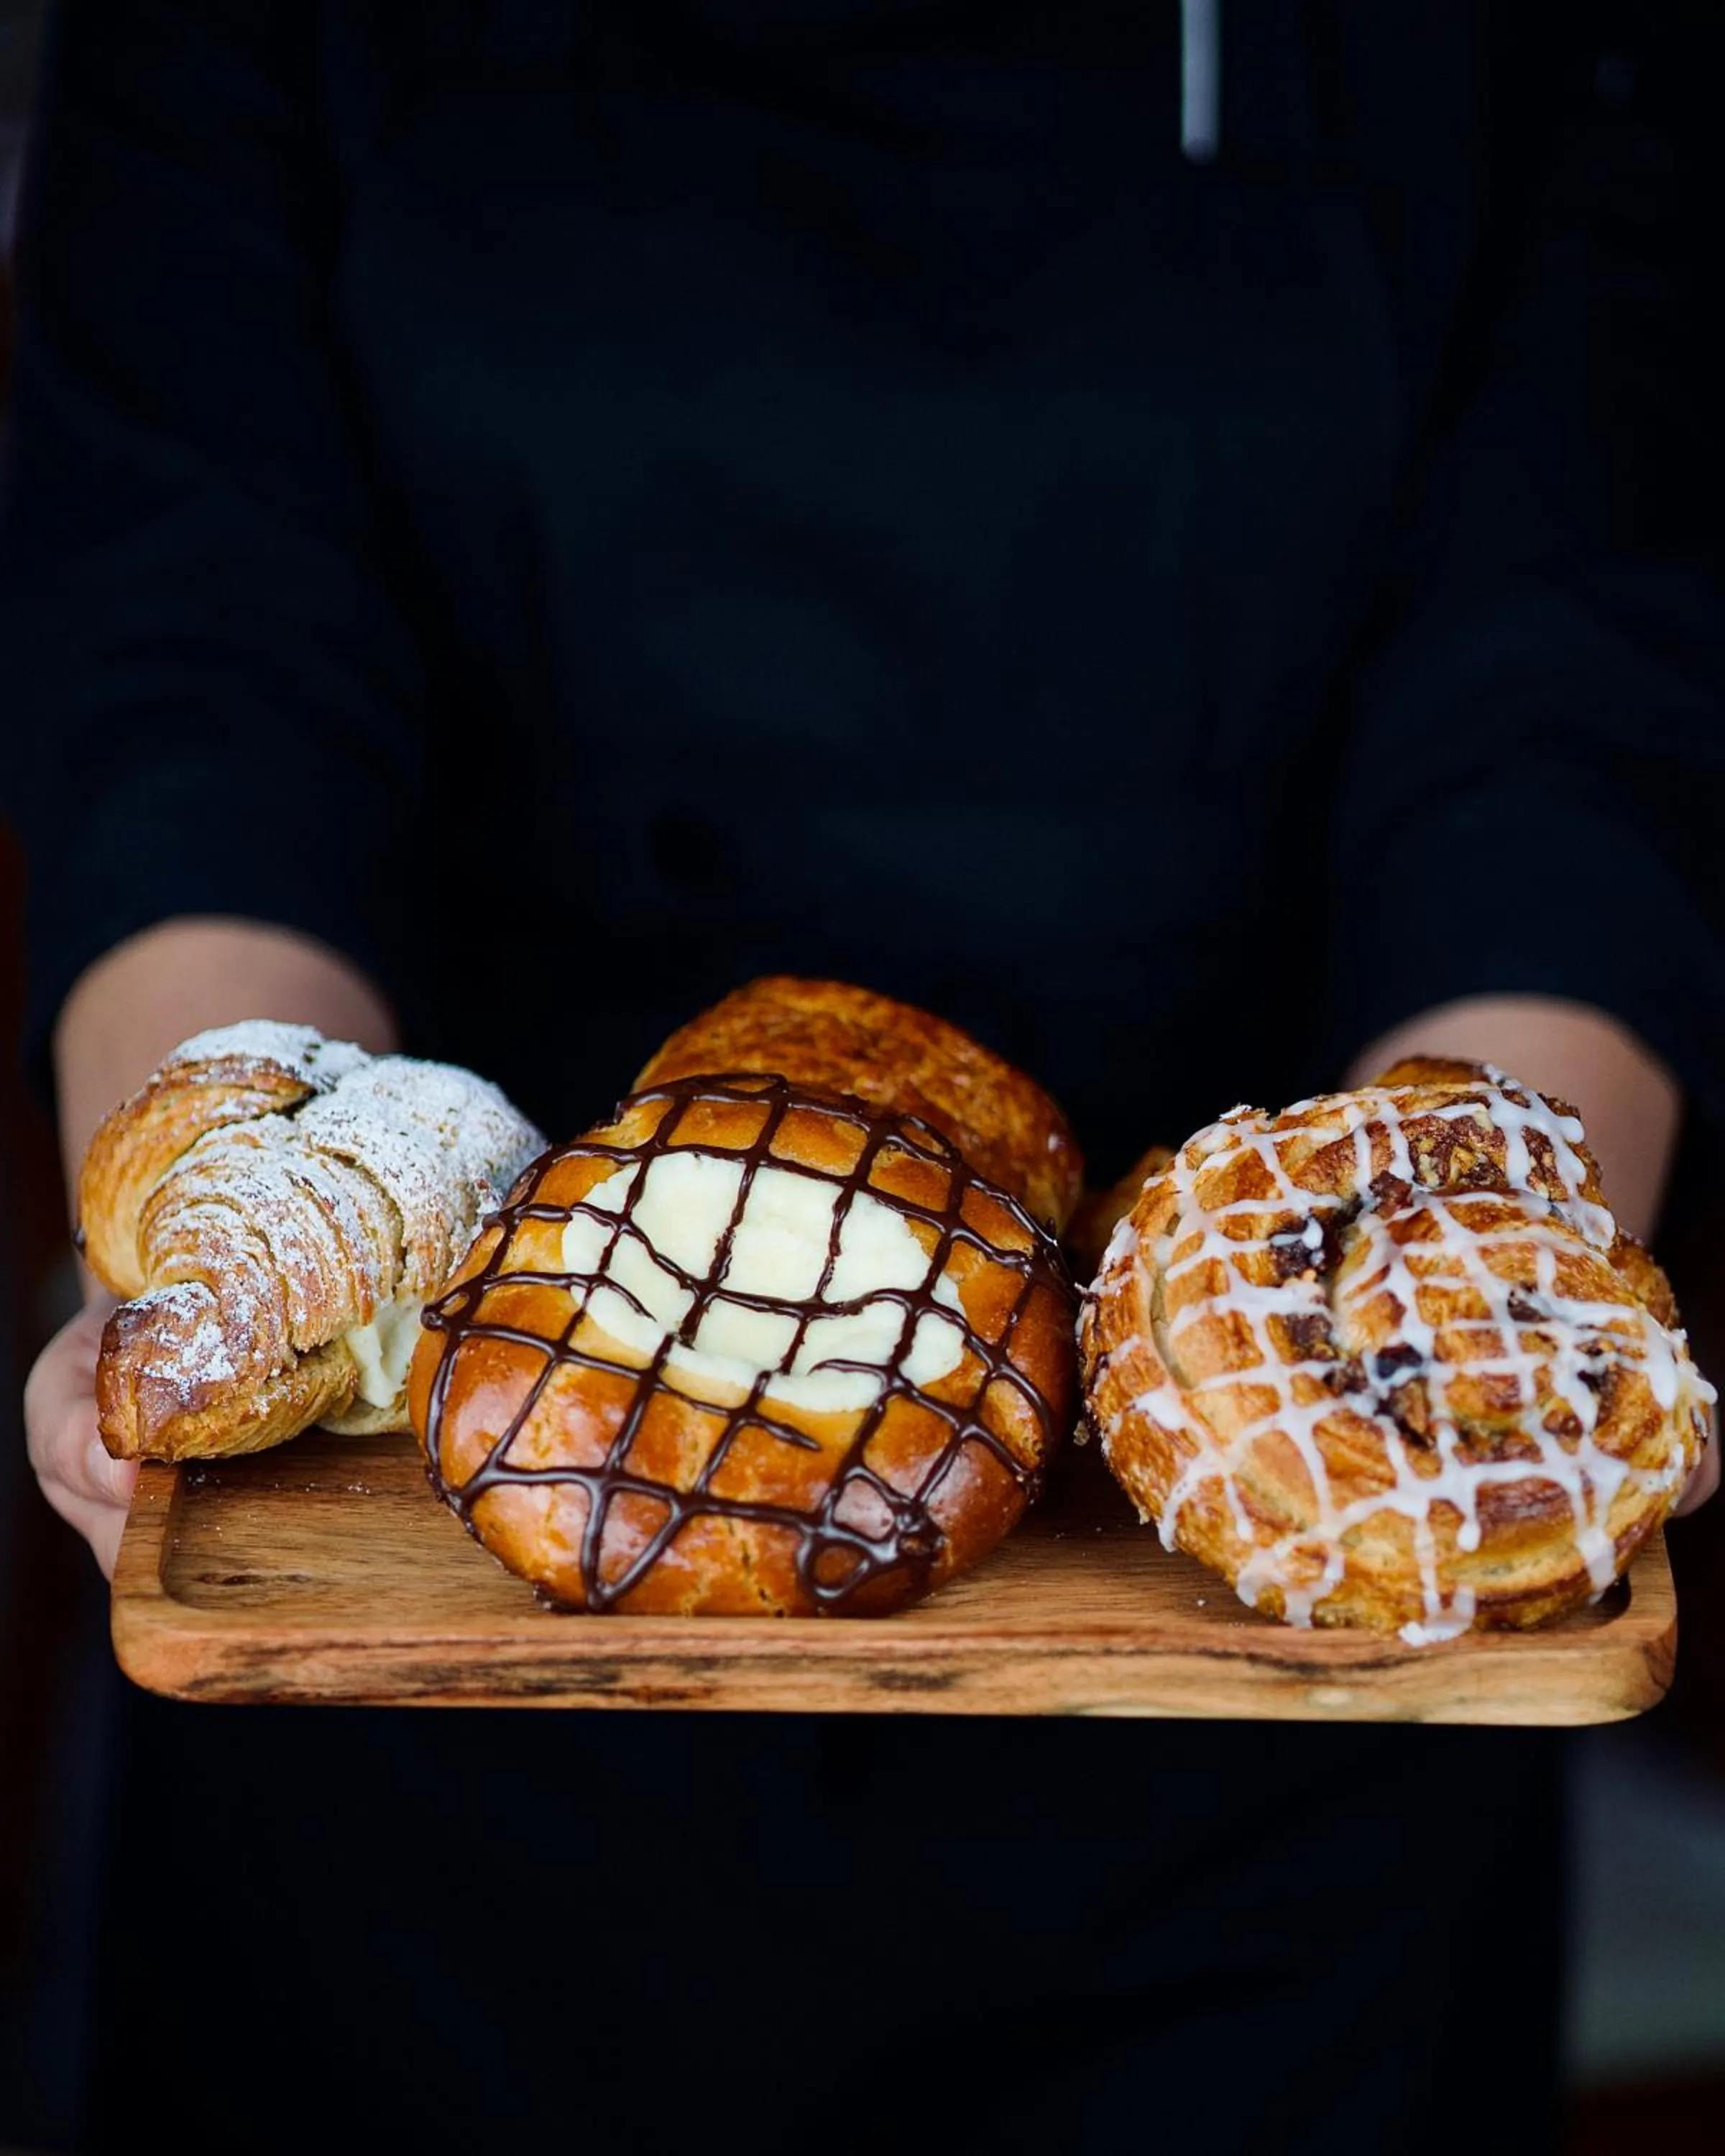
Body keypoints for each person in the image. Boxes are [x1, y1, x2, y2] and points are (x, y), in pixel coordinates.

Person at [4, 6, 1720, 2152]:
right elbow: (200, 636)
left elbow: (1564, 683)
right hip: (432, 1604)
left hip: (1260, 1626)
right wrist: (236, 1262)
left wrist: (1477, 1341)